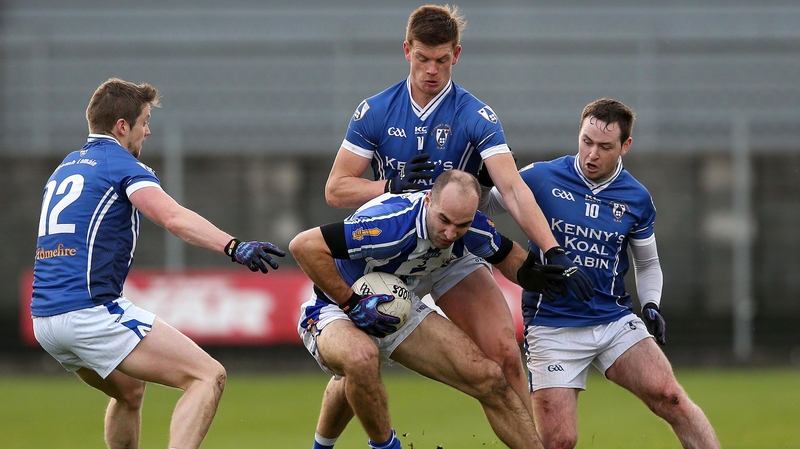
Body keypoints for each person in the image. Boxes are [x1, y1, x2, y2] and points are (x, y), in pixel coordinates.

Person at [319, 5, 593, 446]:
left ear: (457, 55)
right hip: (388, 258)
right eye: (423, 58)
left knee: (504, 355)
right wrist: (389, 185)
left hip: (452, 252)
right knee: (359, 364)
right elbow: (336, 189)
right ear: (406, 50)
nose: (431, 70)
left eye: (442, 60)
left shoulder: (475, 115)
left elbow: (514, 188)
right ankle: (323, 444)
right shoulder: (375, 111)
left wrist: (553, 249)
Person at [31, 78, 285, 449]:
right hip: (88, 313)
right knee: (207, 376)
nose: (147, 131)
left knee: (130, 392)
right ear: (122, 126)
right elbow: (172, 217)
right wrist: (233, 246)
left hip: (45, 320)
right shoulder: (120, 165)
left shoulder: (66, 167)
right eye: (144, 121)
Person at [482, 98, 721, 449]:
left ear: (625, 146)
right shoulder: (541, 176)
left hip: (612, 319)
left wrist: (651, 304)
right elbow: (486, 204)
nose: (592, 153)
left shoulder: (636, 198)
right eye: (586, 141)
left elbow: (648, 263)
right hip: (553, 324)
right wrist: (481, 177)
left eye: (604, 146)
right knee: (560, 441)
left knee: (671, 398)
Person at [291, 170, 564, 449]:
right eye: (444, 220)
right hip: (335, 308)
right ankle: (386, 446)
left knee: (488, 377)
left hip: (396, 304)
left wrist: (538, 276)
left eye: (461, 225)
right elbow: (304, 245)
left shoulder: (469, 227)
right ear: (429, 200)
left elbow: (506, 255)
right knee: (361, 359)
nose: (450, 233)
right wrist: (351, 303)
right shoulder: (390, 225)